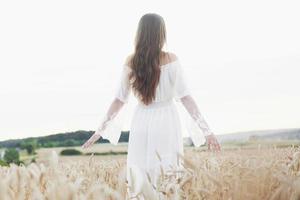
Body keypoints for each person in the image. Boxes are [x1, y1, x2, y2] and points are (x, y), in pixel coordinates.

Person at [82, 13, 221, 198]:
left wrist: (99, 130)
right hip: (167, 121)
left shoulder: (131, 62)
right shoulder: (171, 59)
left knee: (140, 175)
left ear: (139, 33)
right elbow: (186, 97)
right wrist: (206, 130)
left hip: (141, 120)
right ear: (161, 33)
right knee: (167, 174)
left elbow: (119, 99)